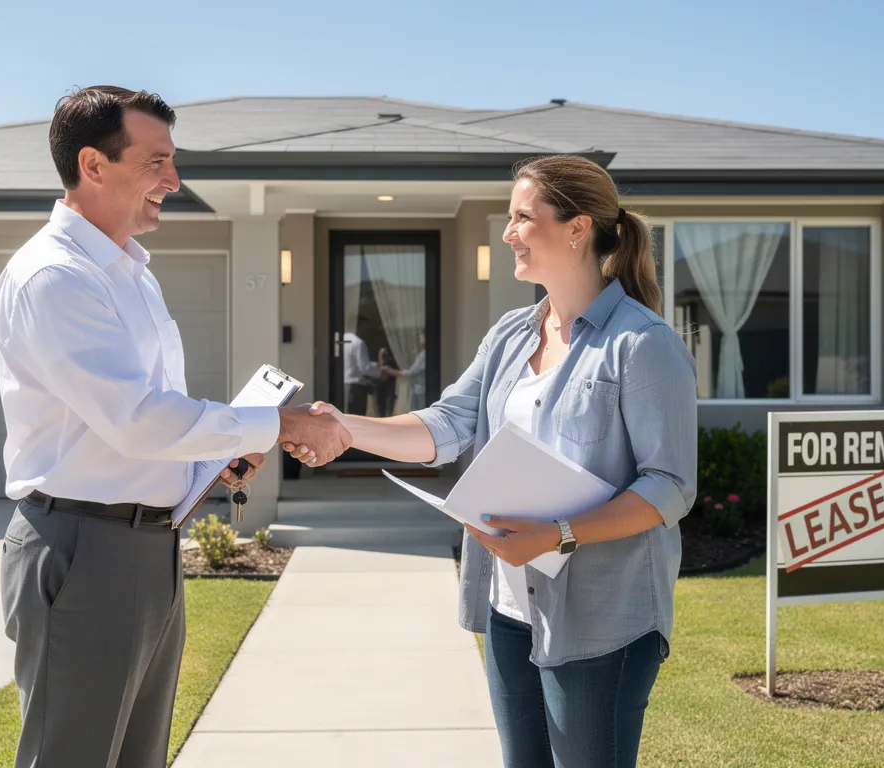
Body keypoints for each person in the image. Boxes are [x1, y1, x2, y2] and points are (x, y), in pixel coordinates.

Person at [287, 154, 697, 767]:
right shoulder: (512, 333)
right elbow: (448, 423)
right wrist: (346, 428)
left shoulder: (640, 344)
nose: (508, 233)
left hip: (603, 619)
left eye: (522, 218)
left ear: (577, 227)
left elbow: (669, 486)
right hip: (510, 608)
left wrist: (556, 535)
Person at [0, 85, 349, 768]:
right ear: (93, 165)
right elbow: (137, 422)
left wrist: (210, 463)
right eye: (156, 161)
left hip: (144, 548)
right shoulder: (54, 278)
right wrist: (272, 424)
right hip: (84, 547)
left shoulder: (130, 273)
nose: (174, 181)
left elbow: (143, 422)